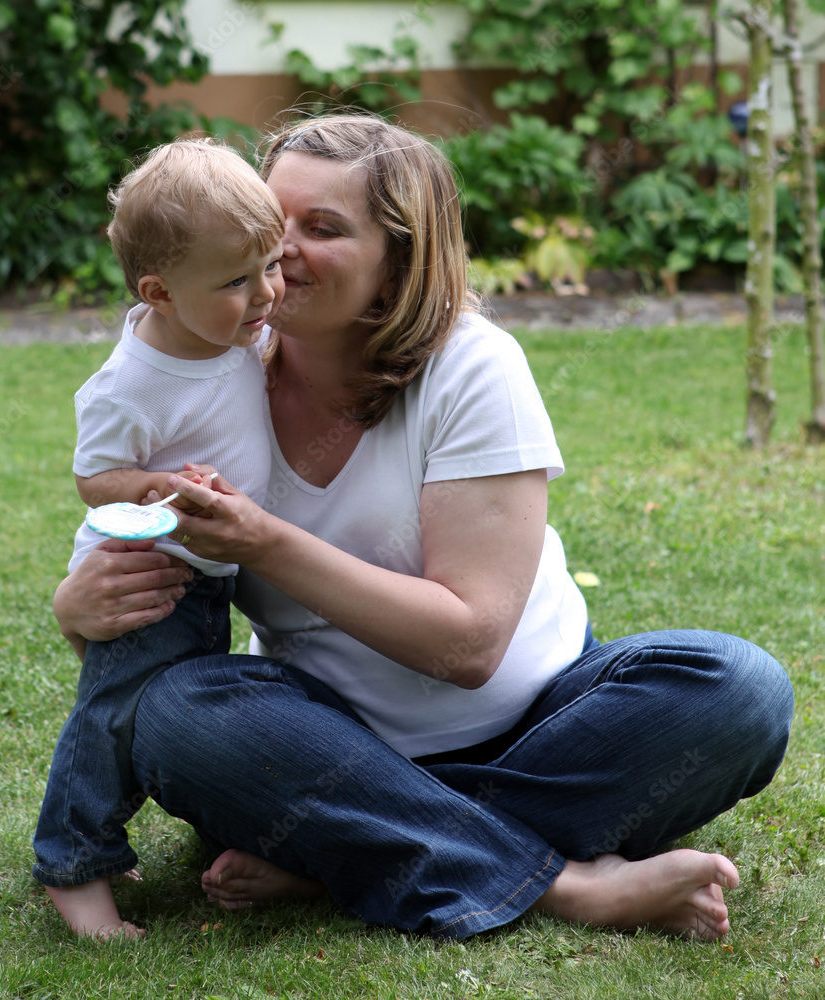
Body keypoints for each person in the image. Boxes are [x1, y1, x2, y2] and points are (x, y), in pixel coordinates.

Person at [51, 112, 794, 941]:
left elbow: (468, 646)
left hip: (539, 727)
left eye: (322, 228)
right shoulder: (215, 365)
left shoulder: (472, 368)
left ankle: (354, 851)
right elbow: (145, 625)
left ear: (399, 258)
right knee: (178, 715)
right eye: (270, 218)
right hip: (328, 743)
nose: (279, 250)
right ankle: (567, 886)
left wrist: (264, 541)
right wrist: (79, 614)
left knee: (738, 688)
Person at [32, 138, 285, 939]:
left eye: (270, 266)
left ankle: (127, 832)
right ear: (158, 291)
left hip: (208, 571)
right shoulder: (132, 382)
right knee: (113, 717)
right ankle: (72, 864)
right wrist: (164, 489)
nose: (265, 294)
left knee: (173, 719)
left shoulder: (235, 336)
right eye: (237, 281)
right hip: (146, 573)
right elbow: (94, 477)